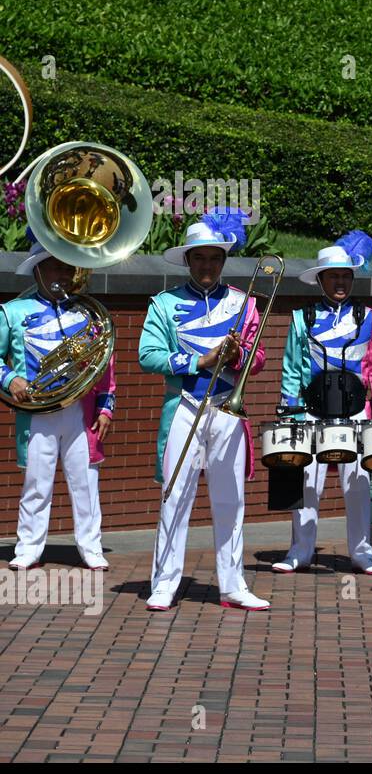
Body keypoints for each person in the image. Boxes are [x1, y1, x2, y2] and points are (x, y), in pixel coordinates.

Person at [140, 211, 268, 611]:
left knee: (230, 499)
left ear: (222, 261)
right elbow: (148, 355)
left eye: (214, 258)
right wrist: (201, 361)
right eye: (200, 258)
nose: (207, 265)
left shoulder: (243, 302)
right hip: (184, 405)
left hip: (226, 409)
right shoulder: (164, 304)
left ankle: (232, 584)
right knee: (175, 494)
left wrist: (239, 356)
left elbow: (259, 357)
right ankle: (164, 582)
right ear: (188, 260)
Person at [273, 231, 372, 575]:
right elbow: (292, 369)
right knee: (307, 483)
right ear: (320, 279)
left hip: (355, 412)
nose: (340, 282)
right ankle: (300, 550)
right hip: (311, 411)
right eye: (333, 276)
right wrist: (289, 413)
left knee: (358, 485)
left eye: (345, 276)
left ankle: (362, 552)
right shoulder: (301, 318)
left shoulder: (370, 318)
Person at [0, 240, 115, 571]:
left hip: (80, 411)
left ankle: (91, 547)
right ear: (38, 269)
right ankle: (28, 547)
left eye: (68, 267)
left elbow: (105, 364)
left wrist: (106, 407)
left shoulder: (87, 313)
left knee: (86, 482)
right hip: (38, 413)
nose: (63, 274)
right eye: (56, 266)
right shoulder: (12, 312)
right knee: (37, 482)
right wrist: (10, 380)